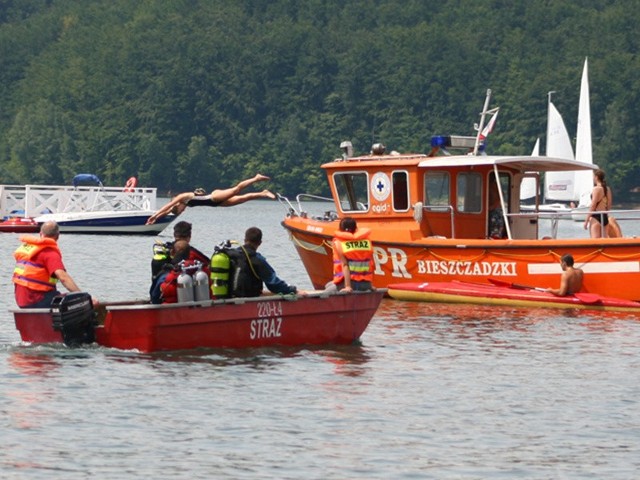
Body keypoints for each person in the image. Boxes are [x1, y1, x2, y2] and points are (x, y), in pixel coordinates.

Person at [146, 174, 276, 224]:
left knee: (236, 190)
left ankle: (256, 178)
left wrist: (155, 215)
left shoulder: (182, 197)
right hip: (216, 204)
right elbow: (167, 212)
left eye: (180, 210)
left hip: (214, 197)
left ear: (178, 205)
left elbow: (166, 207)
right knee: (242, 199)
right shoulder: (182, 205)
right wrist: (156, 218)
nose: (182, 211)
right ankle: (263, 193)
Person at [13, 221, 88, 308]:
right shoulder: (49, 253)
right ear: (58, 236)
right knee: (76, 302)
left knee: (59, 296)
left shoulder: (28, 250)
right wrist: (83, 297)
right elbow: (63, 278)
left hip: (21, 299)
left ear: (40, 234)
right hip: (37, 299)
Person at [149, 220, 210, 303]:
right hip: (193, 299)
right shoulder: (193, 253)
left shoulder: (166, 250)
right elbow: (209, 264)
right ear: (189, 236)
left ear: (174, 235)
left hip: (163, 298)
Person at [231, 227, 297, 297]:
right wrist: (291, 289)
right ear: (260, 243)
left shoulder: (232, 255)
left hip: (230, 295)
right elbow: (273, 284)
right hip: (248, 298)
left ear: (244, 240)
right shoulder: (257, 259)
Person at [329, 217, 373, 292]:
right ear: (355, 228)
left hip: (350, 283)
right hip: (366, 284)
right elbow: (371, 264)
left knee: (325, 293)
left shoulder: (339, 243)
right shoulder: (366, 241)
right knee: (329, 285)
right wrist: (370, 286)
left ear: (340, 228)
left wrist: (347, 286)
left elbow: (345, 265)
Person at [584, 169, 613, 238]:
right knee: (605, 241)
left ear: (596, 177)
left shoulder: (596, 189)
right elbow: (609, 205)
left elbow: (593, 205)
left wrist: (587, 220)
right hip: (604, 216)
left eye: (593, 177)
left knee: (595, 241)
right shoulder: (607, 189)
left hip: (596, 216)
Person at [488, 174, 507, 239]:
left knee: (495, 233)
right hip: (493, 211)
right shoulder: (489, 184)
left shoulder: (494, 185)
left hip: (495, 211)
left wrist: (492, 207)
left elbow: (500, 196)